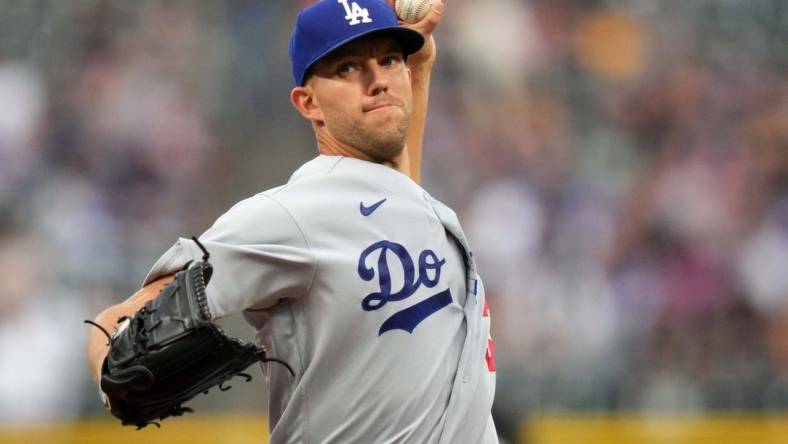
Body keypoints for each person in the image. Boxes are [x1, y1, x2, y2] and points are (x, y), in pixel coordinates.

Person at [86, 0, 497, 442]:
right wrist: (112, 371)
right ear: (308, 103)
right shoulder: (294, 216)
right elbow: (121, 321)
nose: (378, 81)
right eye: (347, 68)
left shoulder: (405, 201)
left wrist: (421, 66)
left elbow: (395, 193)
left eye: (389, 60)